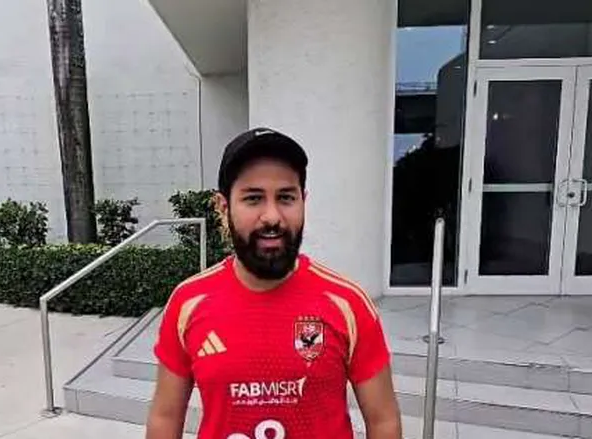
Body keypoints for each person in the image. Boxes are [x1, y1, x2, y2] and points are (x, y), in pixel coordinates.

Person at [146, 128, 403, 439]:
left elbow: (383, 420)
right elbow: (165, 418)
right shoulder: (188, 302)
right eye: (253, 198)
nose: (272, 216)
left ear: (303, 201)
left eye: (286, 198)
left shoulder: (347, 302)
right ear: (224, 207)